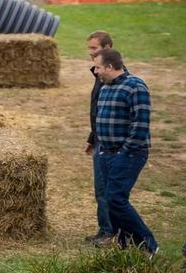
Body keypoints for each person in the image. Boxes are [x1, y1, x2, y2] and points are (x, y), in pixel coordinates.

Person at [93, 48, 158, 256]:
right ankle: (126, 245)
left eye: (98, 67)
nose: (95, 71)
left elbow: (141, 123)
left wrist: (125, 151)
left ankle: (149, 245)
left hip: (129, 153)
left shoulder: (135, 86)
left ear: (110, 67)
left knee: (115, 199)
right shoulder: (105, 87)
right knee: (112, 201)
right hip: (106, 153)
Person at [84, 30, 115, 244]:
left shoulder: (112, 77)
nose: (90, 53)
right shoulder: (99, 74)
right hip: (99, 138)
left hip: (110, 142)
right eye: (90, 49)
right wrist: (92, 137)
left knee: (105, 189)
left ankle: (109, 232)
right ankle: (106, 229)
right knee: (101, 189)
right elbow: (98, 111)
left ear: (108, 48)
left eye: (94, 48)